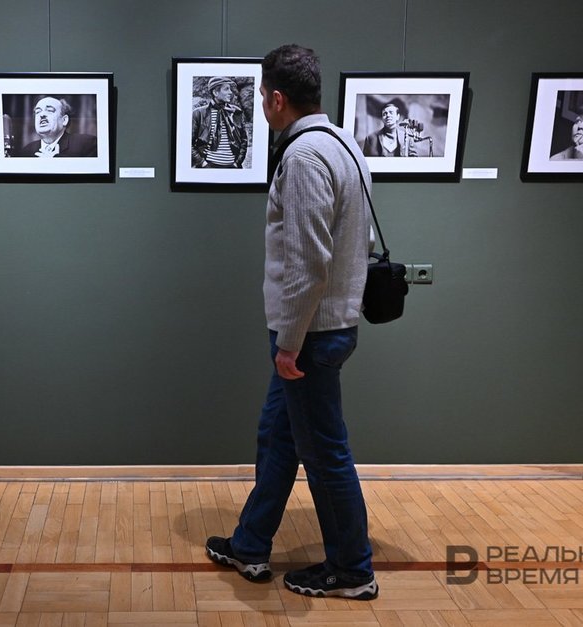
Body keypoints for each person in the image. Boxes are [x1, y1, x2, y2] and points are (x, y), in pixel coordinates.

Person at [205, 44, 378, 601]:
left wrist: (288, 344)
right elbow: (359, 240)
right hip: (331, 327)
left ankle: (353, 570)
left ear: (276, 98)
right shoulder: (346, 145)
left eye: (259, 94)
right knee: (277, 438)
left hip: (310, 335)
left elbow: (308, 265)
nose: (259, 103)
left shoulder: (303, 158)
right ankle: (251, 544)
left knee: (325, 452)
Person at [191, 76, 248, 168]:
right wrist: (202, 163)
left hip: (232, 168)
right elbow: (189, 143)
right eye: (226, 89)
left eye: (230, 89)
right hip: (208, 167)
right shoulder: (199, 113)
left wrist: (237, 162)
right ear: (215, 92)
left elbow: (244, 140)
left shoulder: (236, 112)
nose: (230, 92)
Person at [14, 96, 96, 158]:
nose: (42, 115)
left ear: (64, 120)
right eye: (38, 112)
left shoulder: (87, 144)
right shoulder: (26, 151)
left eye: (49, 110)